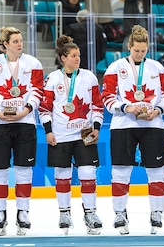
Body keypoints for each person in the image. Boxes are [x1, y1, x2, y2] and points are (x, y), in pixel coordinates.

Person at [102, 25, 164, 235]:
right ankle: (120, 213)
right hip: (123, 125)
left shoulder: (158, 68)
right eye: (136, 50)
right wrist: (126, 107)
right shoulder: (115, 67)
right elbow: (106, 97)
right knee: (121, 171)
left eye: (143, 50)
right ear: (129, 47)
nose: (140, 54)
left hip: (153, 125)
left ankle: (157, 212)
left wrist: (158, 111)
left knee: (157, 171)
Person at [0, 27, 44, 236]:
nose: (20, 44)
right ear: (5, 44)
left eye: (21, 40)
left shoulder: (33, 63)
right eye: (15, 41)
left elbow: (38, 90)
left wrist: (26, 110)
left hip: (26, 122)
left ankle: (23, 212)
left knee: (25, 170)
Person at [39, 35, 104, 234]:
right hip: (60, 135)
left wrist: (96, 128)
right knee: (62, 175)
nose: (78, 59)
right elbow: (44, 108)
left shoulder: (89, 77)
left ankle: (90, 212)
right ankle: (64, 213)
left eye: (79, 55)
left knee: (88, 173)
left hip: (84, 134)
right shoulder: (52, 79)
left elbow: (97, 106)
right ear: (63, 58)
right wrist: (48, 132)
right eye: (74, 56)